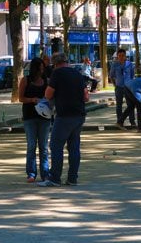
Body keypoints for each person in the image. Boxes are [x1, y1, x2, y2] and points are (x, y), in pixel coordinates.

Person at [38, 52, 89, 187]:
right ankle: (72, 178)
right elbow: (86, 97)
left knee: (56, 145)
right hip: (79, 115)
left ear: (55, 64)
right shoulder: (77, 73)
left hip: (64, 115)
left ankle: (55, 177)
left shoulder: (57, 74)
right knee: (74, 147)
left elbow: (48, 94)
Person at [18, 57, 50, 183]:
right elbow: (20, 98)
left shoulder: (47, 81)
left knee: (44, 146)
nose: (41, 71)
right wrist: (32, 100)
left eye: (43, 69)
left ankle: (45, 173)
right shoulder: (26, 80)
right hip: (30, 116)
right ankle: (31, 173)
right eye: (39, 69)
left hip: (44, 116)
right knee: (31, 145)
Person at [109, 48, 135, 127]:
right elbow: (111, 76)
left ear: (125, 56)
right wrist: (115, 84)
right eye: (119, 56)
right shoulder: (114, 64)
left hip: (128, 87)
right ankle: (120, 121)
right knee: (119, 105)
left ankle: (132, 121)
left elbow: (132, 75)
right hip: (119, 87)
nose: (121, 57)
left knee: (130, 105)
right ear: (117, 56)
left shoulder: (129, 64)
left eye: (122, 55)